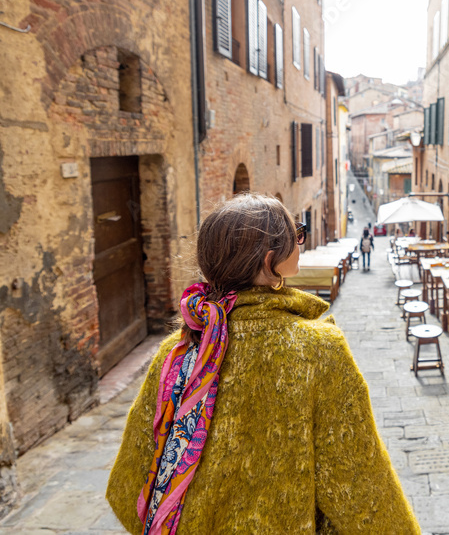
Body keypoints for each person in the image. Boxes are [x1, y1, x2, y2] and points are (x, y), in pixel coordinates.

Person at [106, 193, 420, 534]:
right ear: (271, 259)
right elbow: (358, 487)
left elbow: (126, 487)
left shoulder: (177, 351)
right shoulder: (318, 350)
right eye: (296, 235)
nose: (301, 242)